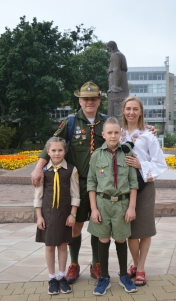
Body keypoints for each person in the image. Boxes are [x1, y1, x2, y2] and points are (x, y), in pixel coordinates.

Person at [31, 82, 106, 284]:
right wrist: (39, 167)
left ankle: (96, 263)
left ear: (99, 100)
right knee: (76, 225)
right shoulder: (71, 122)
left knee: (98, 225)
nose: (89, 102)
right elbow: (53, 144)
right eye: (85, 98)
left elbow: (121, 140)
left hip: (101, 185)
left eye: (93, 98)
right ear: (80, 100)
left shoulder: (106, 123)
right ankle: (73, 263)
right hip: (78, 184)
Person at [87, 117, 138, 296]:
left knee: (121, 239)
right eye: (109, 132)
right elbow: (91, 183)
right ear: (103, 134)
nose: (113, 135)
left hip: (122, 204)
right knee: (103, 239)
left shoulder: (127, 153)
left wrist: (131, 207)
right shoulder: (96, 155)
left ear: (121, 134)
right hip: (102, 204)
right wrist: (93, 209)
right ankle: (104, 278)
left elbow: (133, 183)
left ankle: (124, 275)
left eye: (116, 132)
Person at [119, 96, 167, 286]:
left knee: (144, 228)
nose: (131, 112)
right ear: (123, 111)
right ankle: (135, 263)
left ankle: (140, 268)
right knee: (129, 229)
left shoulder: (148, 135)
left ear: (141, 112)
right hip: (123, 188)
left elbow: (160, 163)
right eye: (128, 108)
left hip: (144, 187)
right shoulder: (118, 133)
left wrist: (141, 164)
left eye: (135, 109)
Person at [34, 137, 80, 295]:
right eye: (53, 150)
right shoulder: (44, 171)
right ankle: (52, 278)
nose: (57, 153)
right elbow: (38, 196)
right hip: (47, 214)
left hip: (64, 214)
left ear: (65, 151)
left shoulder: (71, 170)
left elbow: (75, 194)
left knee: (62, 245)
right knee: (49, 246)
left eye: (60, 150)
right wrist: (39, 216)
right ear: (48, 152)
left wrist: (73, 214)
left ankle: (62, 277)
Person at [106, 41, 129, 121]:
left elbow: (116, 69)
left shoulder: (115, 55)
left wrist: (116, 86)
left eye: (108, 49)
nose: (108, 51)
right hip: (122, 80)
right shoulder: (121, 54)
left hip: (116, 82)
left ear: (112, 47)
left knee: (115, 106)